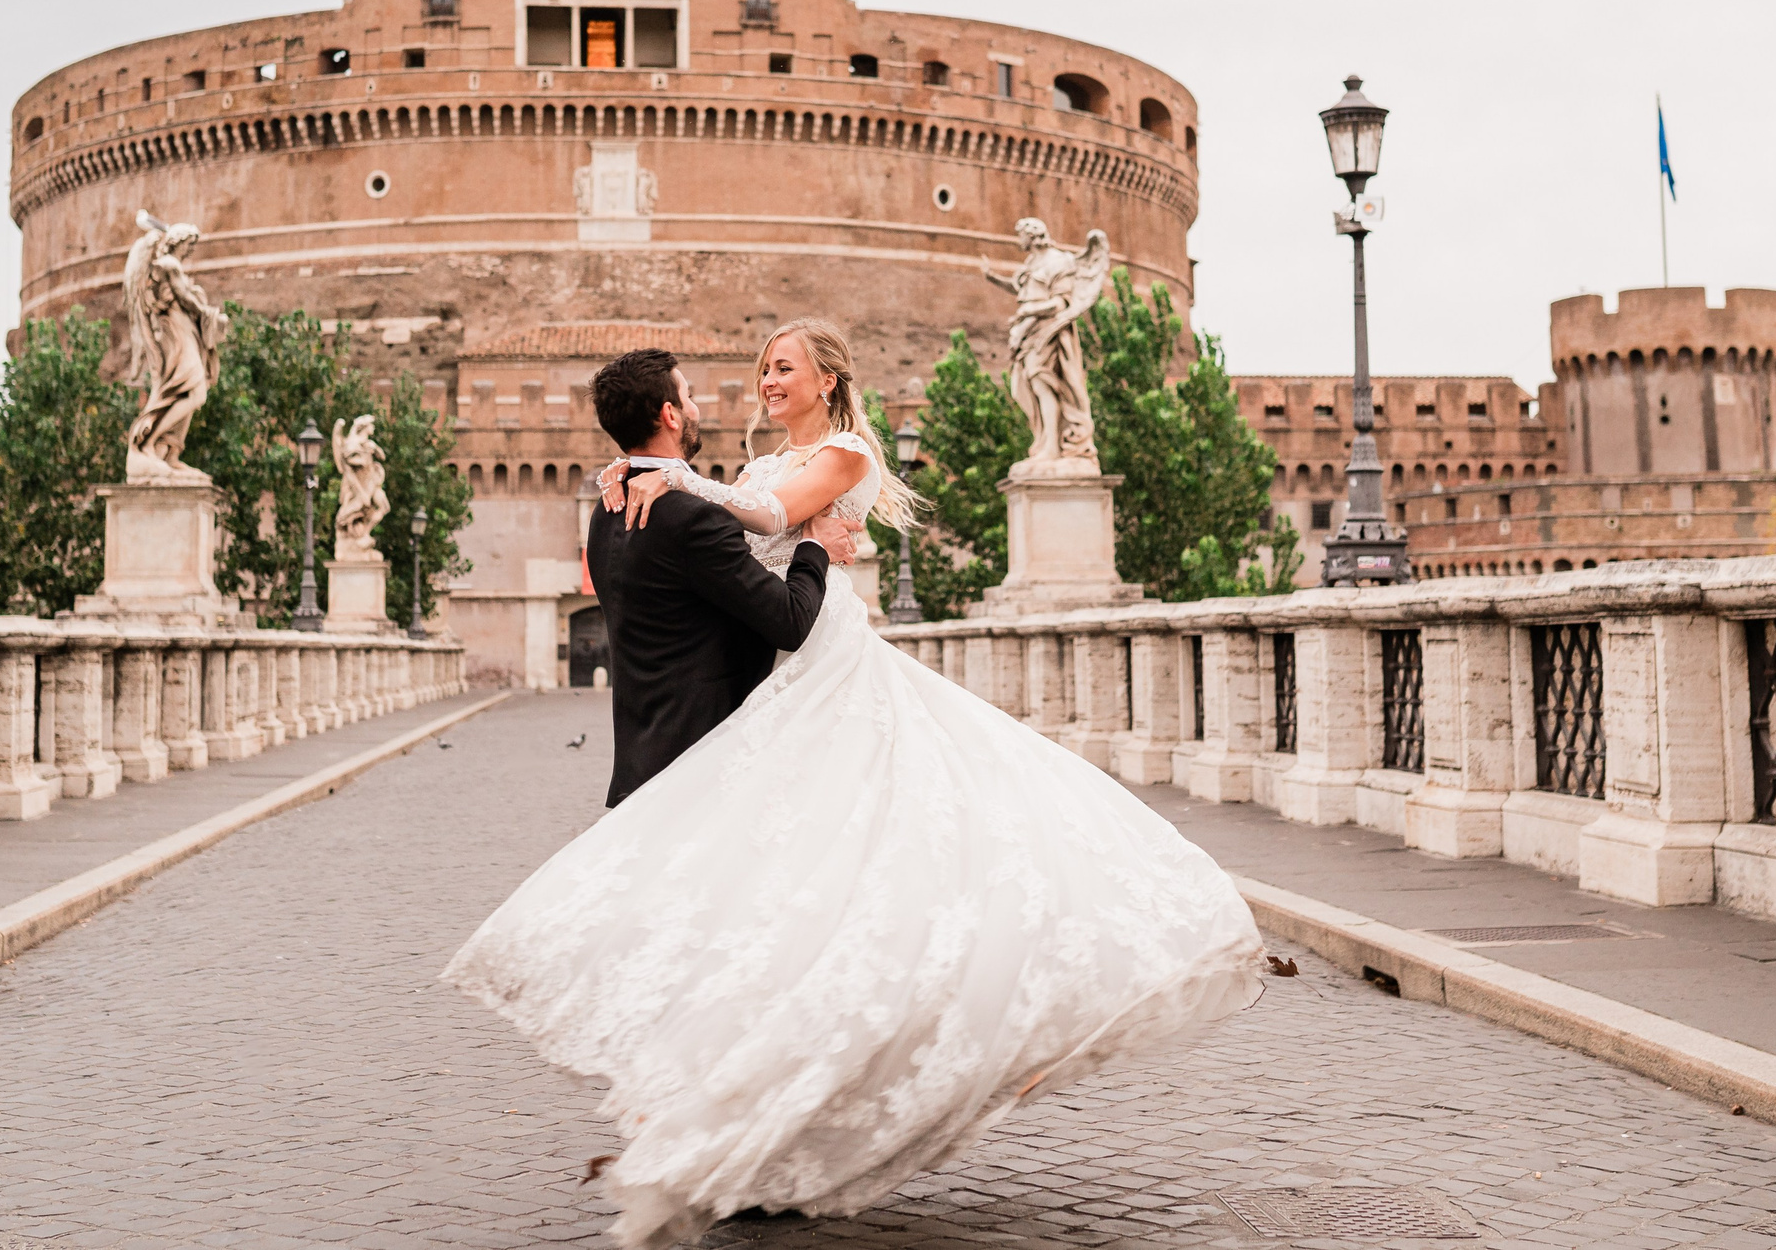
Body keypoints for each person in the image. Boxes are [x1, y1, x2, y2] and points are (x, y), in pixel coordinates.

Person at [445, 320, 1263, 1249]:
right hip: (771, 694)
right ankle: (759, 1099)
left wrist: (666, 475)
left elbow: (761, 523)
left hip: (824, 668)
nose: (764, 380)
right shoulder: (753, 463)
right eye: (760, 367)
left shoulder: (844, 452)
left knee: (879, 866)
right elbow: (733, 522)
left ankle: (818, 1077)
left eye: (782, 366)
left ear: (831, 379)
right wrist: (653, 477)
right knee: (803, 899)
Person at [578, 347, 857, 806]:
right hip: (701, 764)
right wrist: (814, 546)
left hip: (640, 761)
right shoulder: (693, 520)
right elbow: (789, 621)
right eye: (688, 396)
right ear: (670, 414)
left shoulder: (605, 510)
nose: (696, 408)